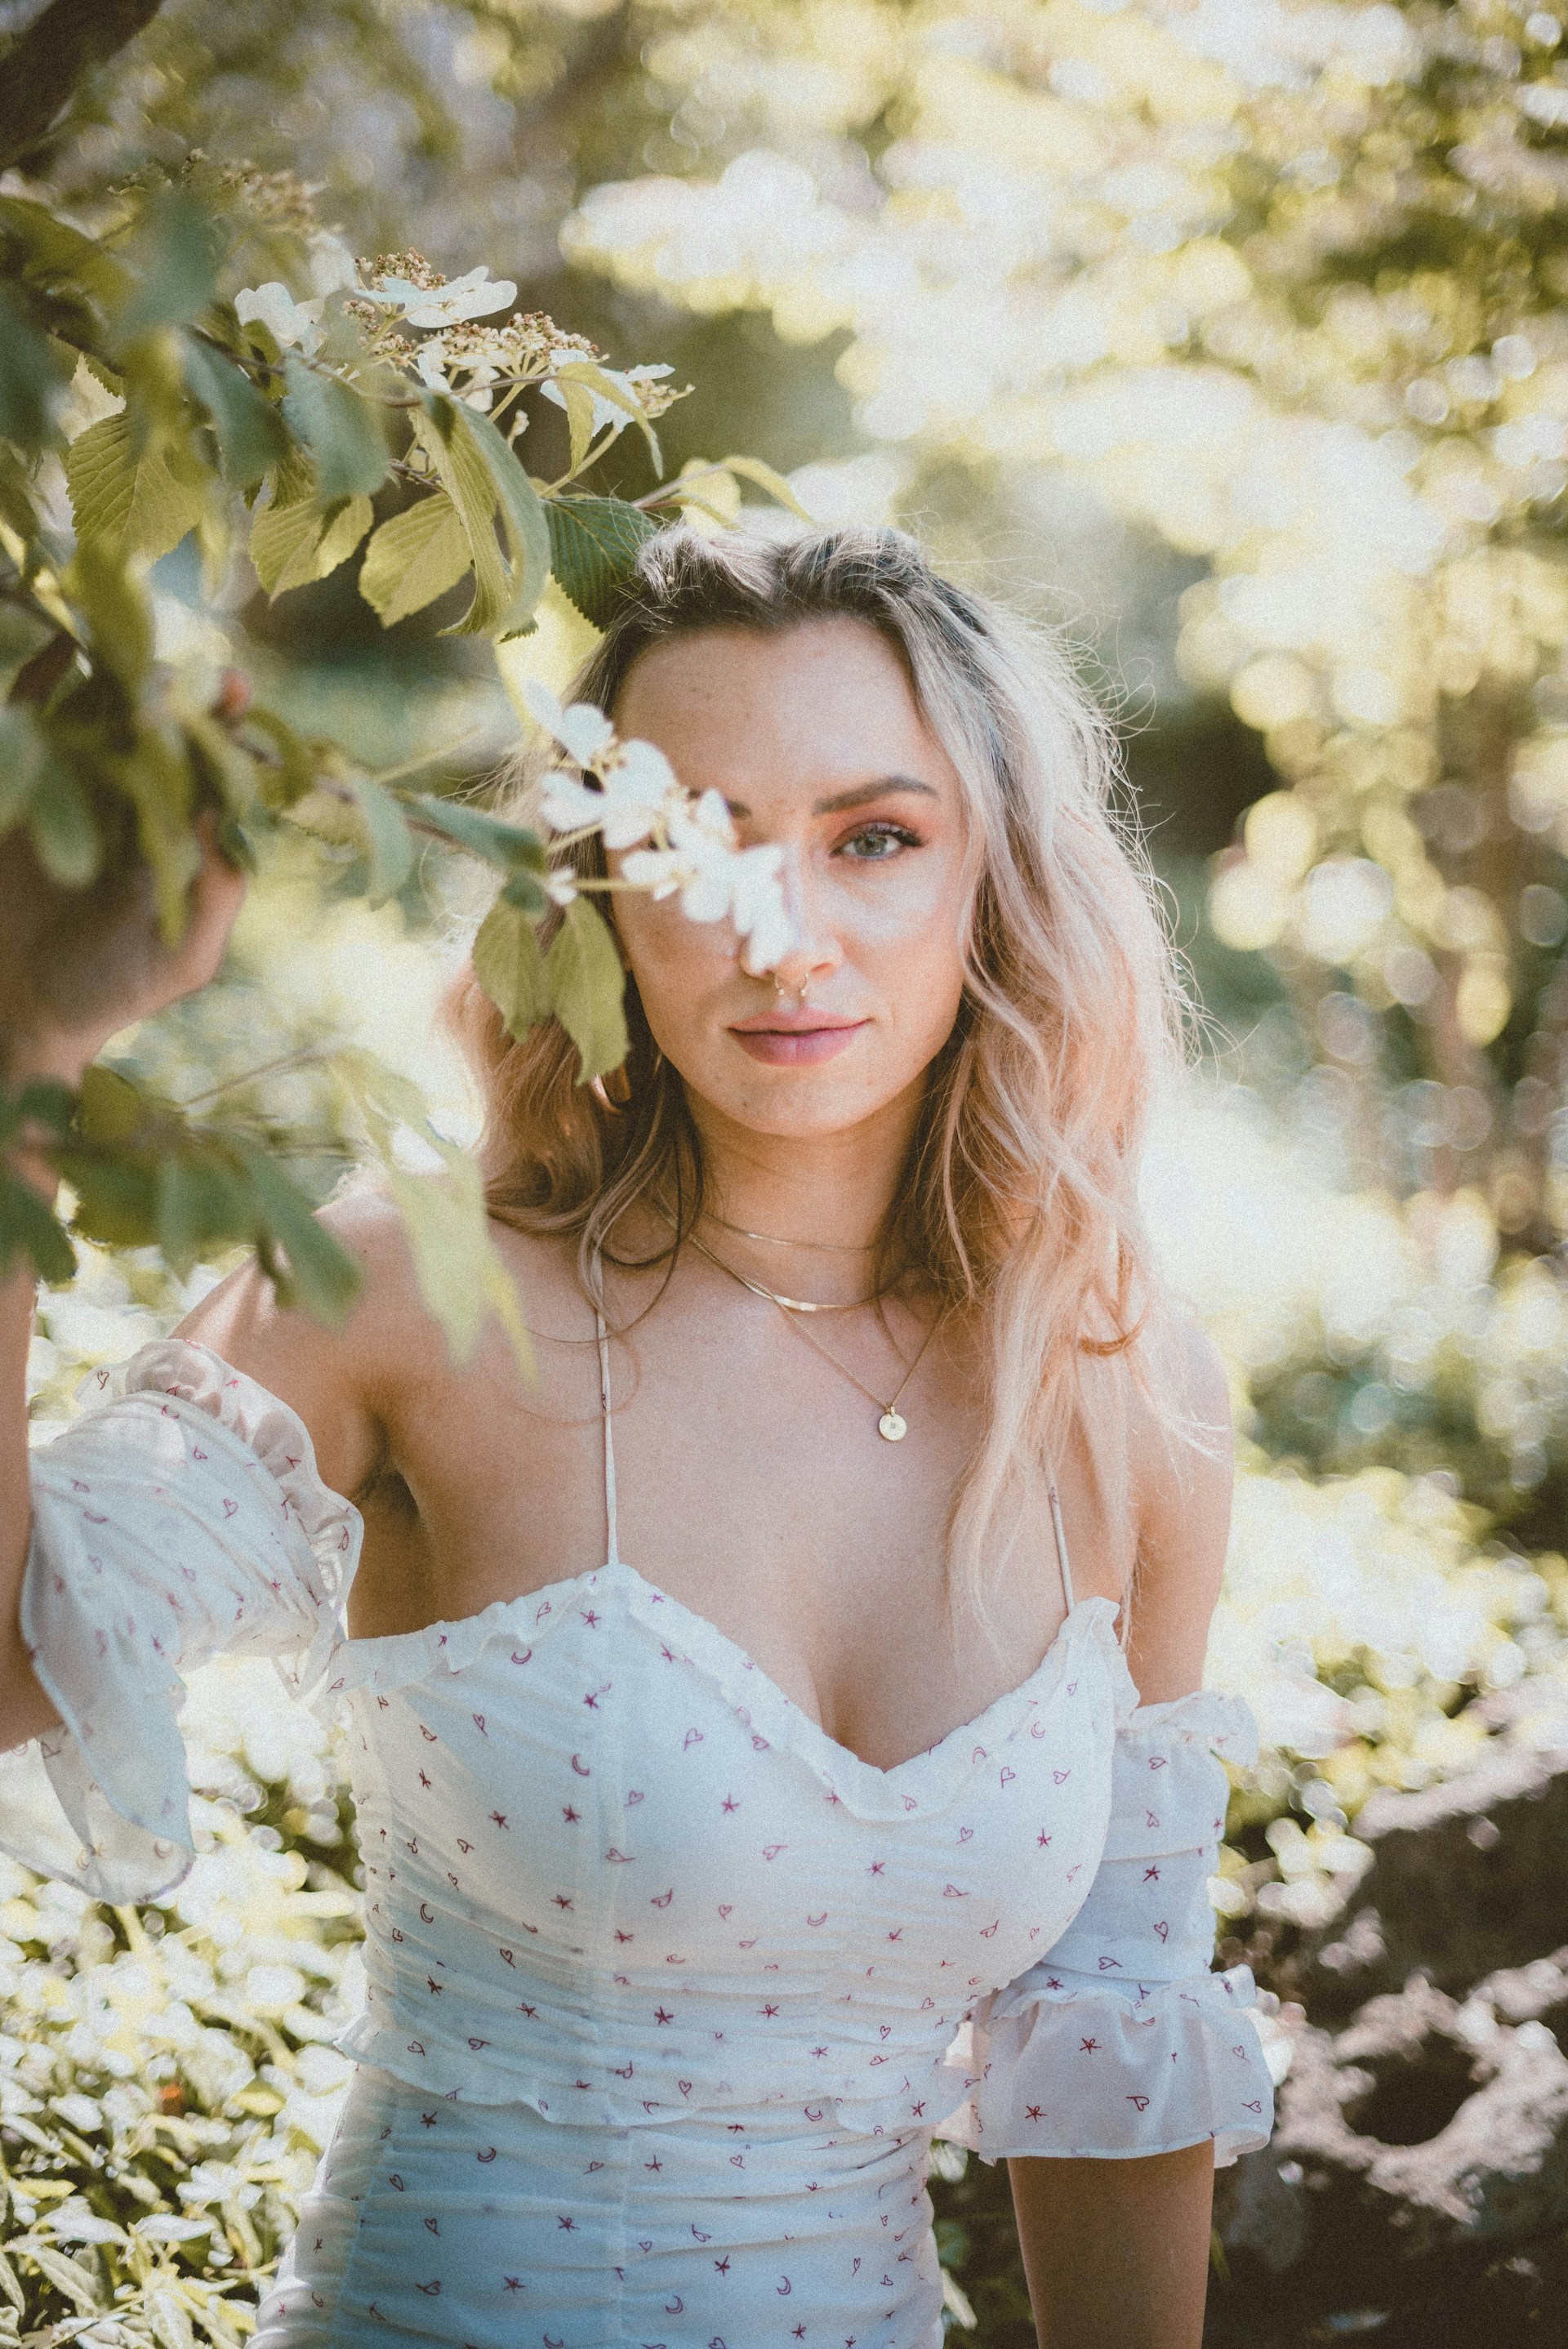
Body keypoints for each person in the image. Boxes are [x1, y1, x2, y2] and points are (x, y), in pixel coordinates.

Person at [0, 526, 1272, 2349]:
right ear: (592, 890)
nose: (788, 927)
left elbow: (1110, 2049)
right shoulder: (411, 1292)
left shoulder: (1125, 1389)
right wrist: (18, 1060)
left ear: (995, 878)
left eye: (875, 837)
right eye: (698, 838)